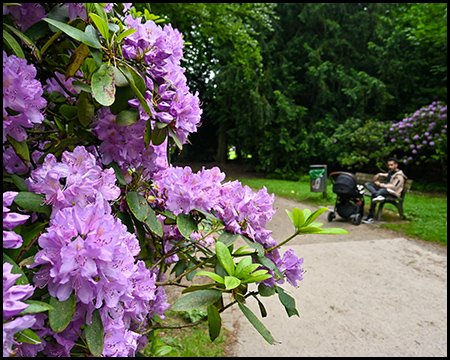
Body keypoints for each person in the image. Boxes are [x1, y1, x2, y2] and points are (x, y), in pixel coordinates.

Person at [362, 157, 408, 224]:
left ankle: (370, 217)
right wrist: (380, 174)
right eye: (389, 165)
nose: (389, 166)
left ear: (396, 165)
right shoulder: (392, 172)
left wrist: (380, 185)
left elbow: (394, 187)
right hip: (384, 190)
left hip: (391, 193)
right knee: (368, 184)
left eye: (391, 165)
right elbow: (388, 175)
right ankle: (377, 194)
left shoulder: (399, 177)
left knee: (375, 195)